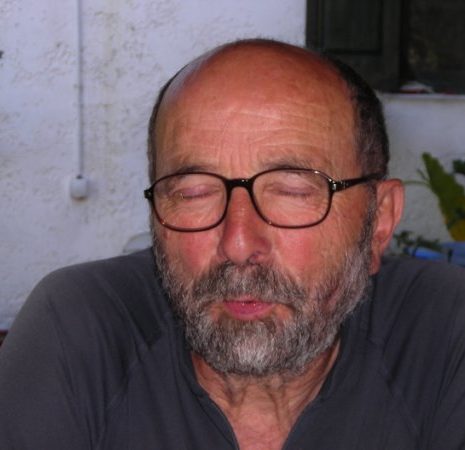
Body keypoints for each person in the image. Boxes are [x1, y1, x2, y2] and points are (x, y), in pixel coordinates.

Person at [0, 39, 464, 450]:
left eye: (291, 191)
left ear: (379, 222)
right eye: (194, 193)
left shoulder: (445, 334)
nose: (238, 244)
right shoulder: (80, 329)